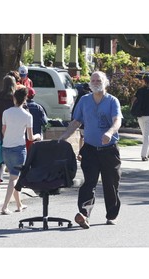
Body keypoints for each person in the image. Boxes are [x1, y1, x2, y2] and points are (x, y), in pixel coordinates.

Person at [59, 71, 123, 229]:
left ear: (105, 82)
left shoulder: (112, 101)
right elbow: (76, 122)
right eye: (93, 80)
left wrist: (109, 132)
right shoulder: (84, 100)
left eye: (98, 80)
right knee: (89, 183)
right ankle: (84, 214)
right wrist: (64, 136)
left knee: (111, 184)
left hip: (109, 150)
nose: (95, 82)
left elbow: (117, 121)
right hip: (90, 149)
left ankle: (111, 215)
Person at [0, 87, 41, 215]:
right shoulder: (27, 115)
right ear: (25, 100)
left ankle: (19, 204)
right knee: (14, 178)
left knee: (14, 177)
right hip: (19, 149)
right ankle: (5, 206)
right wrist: (37, 136)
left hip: (6, 147)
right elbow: (30, 137)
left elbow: (3, 131)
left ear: (14, 98)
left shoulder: (6, 113)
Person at [0, 75, 16, 189]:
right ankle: (14, 176)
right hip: (15, 126)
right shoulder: (15, 97)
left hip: (2, 126)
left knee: (1, 150)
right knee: (15, 149)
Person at [72, 83, 92, 159]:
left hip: (82, 120)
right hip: (87, 120)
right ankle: (82, 153)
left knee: (82, 137)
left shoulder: (81, 97)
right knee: (85, 137)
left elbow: (75, 108)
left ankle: (80, 153)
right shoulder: (88, 97)